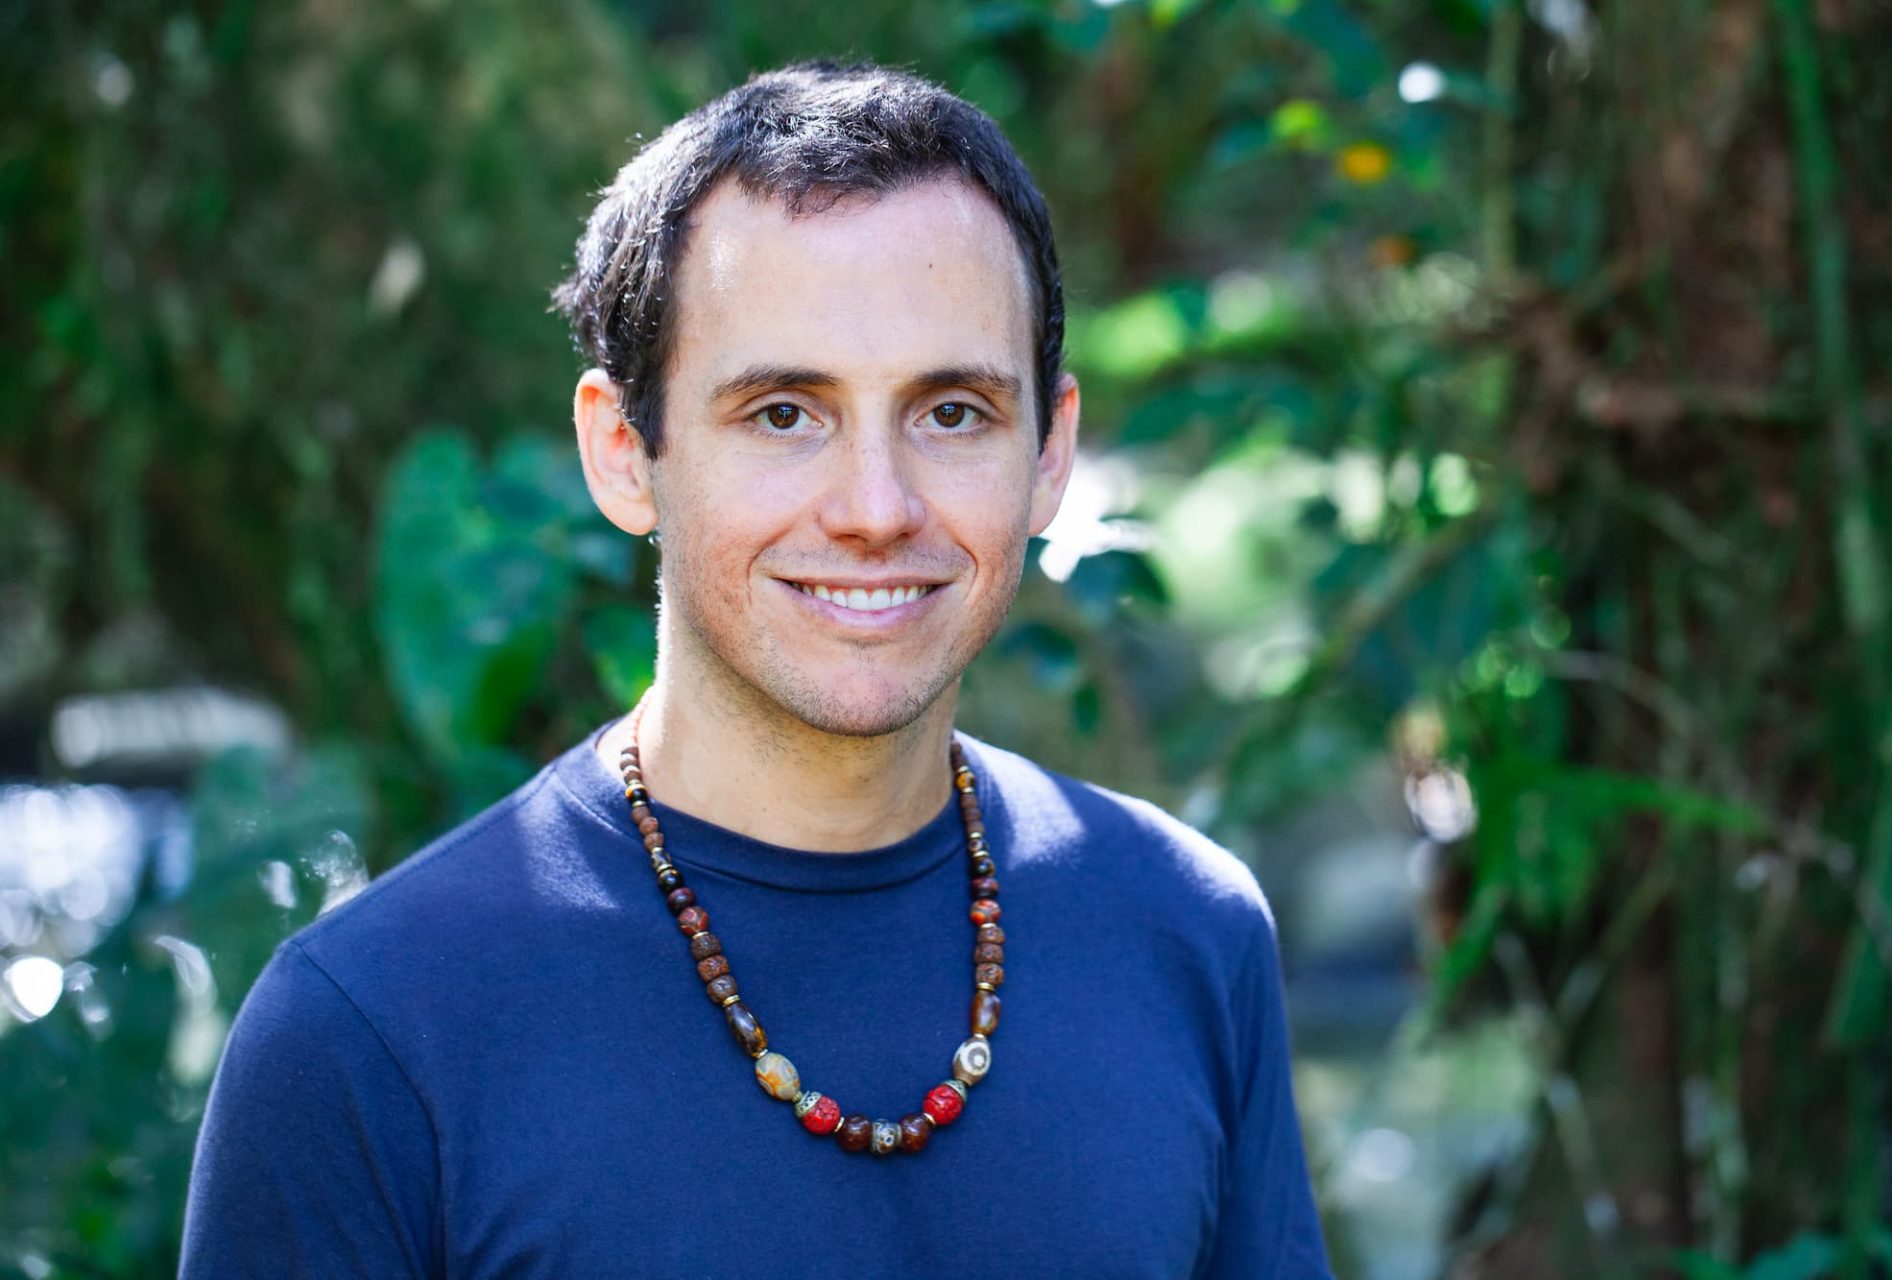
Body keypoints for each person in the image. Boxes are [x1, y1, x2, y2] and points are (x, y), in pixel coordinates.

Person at [178, 60, 1331, 1278]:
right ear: (622, 452)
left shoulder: (1187, 930)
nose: (877, 508)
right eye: (785, 412)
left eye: (952, 412)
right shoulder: (372, 1030)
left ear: (1049, 453)